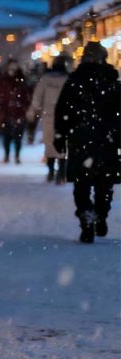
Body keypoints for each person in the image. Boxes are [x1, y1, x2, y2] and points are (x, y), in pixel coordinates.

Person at [54, 42, 120, 244]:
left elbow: (62, 111)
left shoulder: (74, 81)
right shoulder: (112, 82)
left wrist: (60, 136)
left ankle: (86, 218)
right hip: (107, 139)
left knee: (82, 183)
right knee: (104, 182)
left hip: (80, 138)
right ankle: (101, 213)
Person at [27, 55, 69, 184]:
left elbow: (37, 98)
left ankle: (51, 171)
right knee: (63, 144)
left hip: (48, 116)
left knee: (49, 143)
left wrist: (32, 112)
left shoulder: (45, 80)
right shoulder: (68, 80)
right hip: (65, 117)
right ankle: (61, 172)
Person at [0, 59, 31, 164]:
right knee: (7, 135)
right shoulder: (4, 81)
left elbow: (26, 97)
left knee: (17, 136)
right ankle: (8, 154)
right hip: (7, 112)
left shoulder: (20, 81)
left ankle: (16, 155)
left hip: (17, 112)